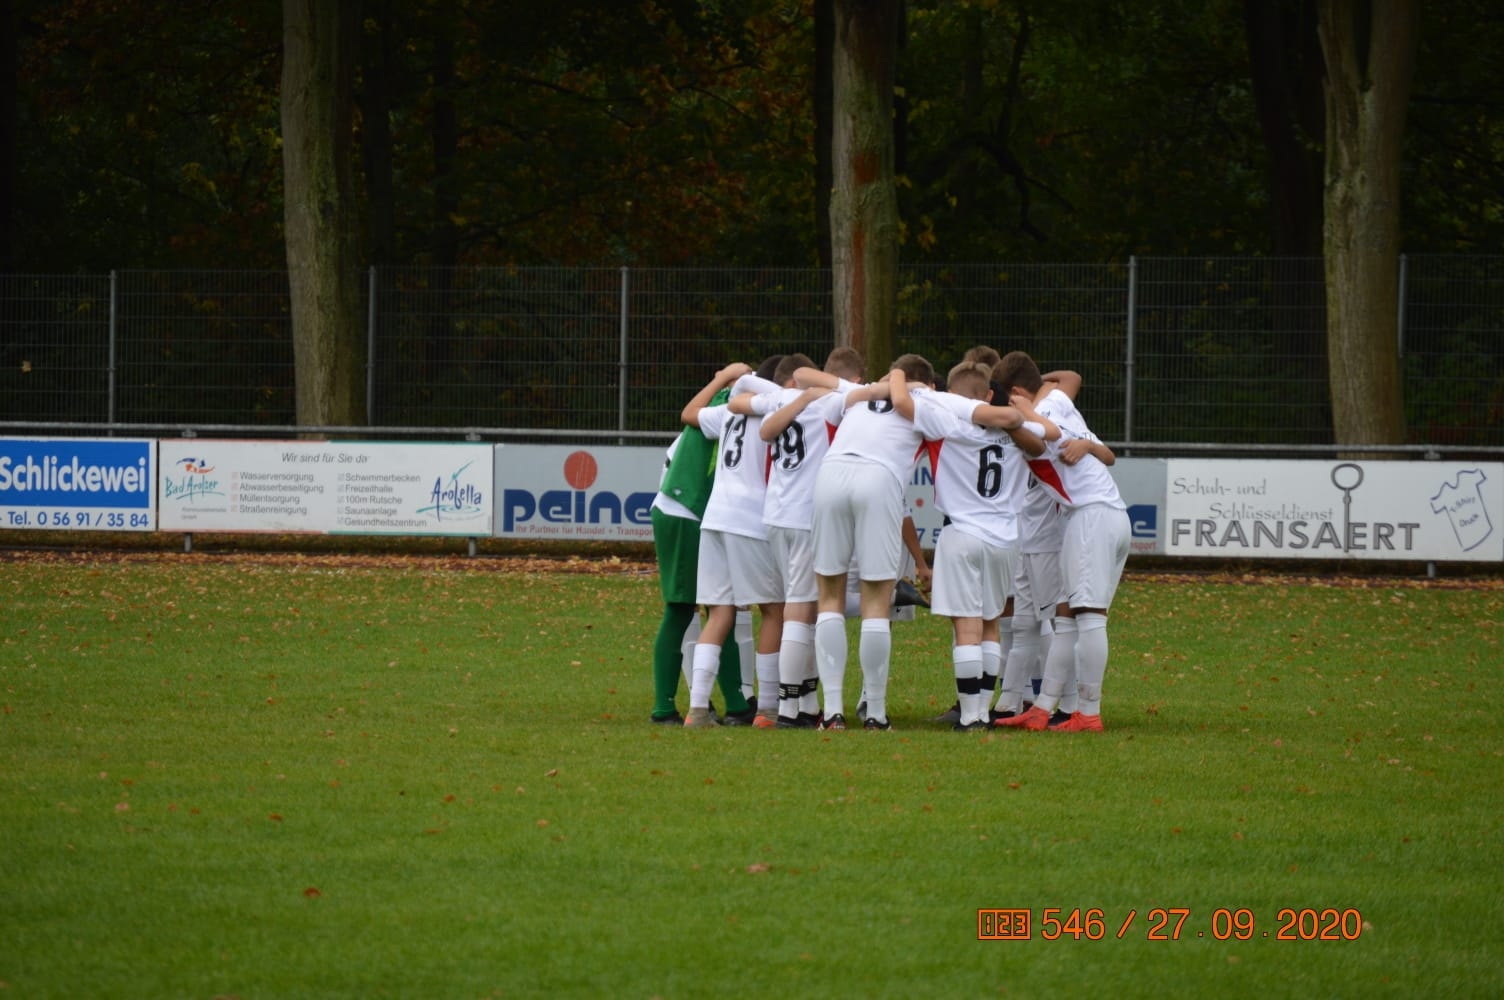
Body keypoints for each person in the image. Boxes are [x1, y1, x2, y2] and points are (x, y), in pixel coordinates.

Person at [994, 351, 1128, 733]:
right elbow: (1067, 379)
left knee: (1089, 616)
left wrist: (1022, 410)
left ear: (1016, 393)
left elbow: (1047, 435)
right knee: (1067, 616)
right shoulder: (1056, 399)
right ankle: (1043, 708)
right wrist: (1035, 387)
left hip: (1092, 515)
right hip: (1094, 514)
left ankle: (1089, 712)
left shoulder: (1039, 415)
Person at [732, 347, 865, 729]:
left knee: (803, 608)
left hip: (775, 515)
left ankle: (805, 703)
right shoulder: (829, 402)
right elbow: (862, 396)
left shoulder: (778, 398)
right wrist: (811, 395)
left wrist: (788, 395)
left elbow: (738, 399)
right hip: (806, 516)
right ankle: (788, 708)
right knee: (801, 610)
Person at [803, 354, 938, 731]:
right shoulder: (927, 400)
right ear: (928, 383)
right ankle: (875, 714)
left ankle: (832, 712)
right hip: (879, 478)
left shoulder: (858, 394)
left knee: (828, 595)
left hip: (831, 474)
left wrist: (882, 384)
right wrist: (914, 387)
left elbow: (808, 380)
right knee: (877, 600)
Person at [911, 360, 1046, 730]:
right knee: (990, 626)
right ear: (988, 395)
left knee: (966, 628)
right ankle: (983, 712)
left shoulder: (944, 423)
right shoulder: (1016, 431)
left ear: (950, 395)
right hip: (1004, 539)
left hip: (963, 533)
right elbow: (1040, 444)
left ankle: (970, 715)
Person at [680, 358, 786, 728]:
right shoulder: (777, 407)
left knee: (719, 613)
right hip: (749, 519)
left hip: (715, 517)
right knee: (774, 610)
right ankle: (768, 709)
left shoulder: (730, 410)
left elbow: (690, 414)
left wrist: (727, 380)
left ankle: (697, 709)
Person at [648, 406, 755, 725]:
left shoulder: (713, 414)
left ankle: (736, 704)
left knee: (721, 608)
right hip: (687, 513)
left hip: (687, 511)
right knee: (683, 609)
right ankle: (664, 708)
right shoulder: (730, 416)